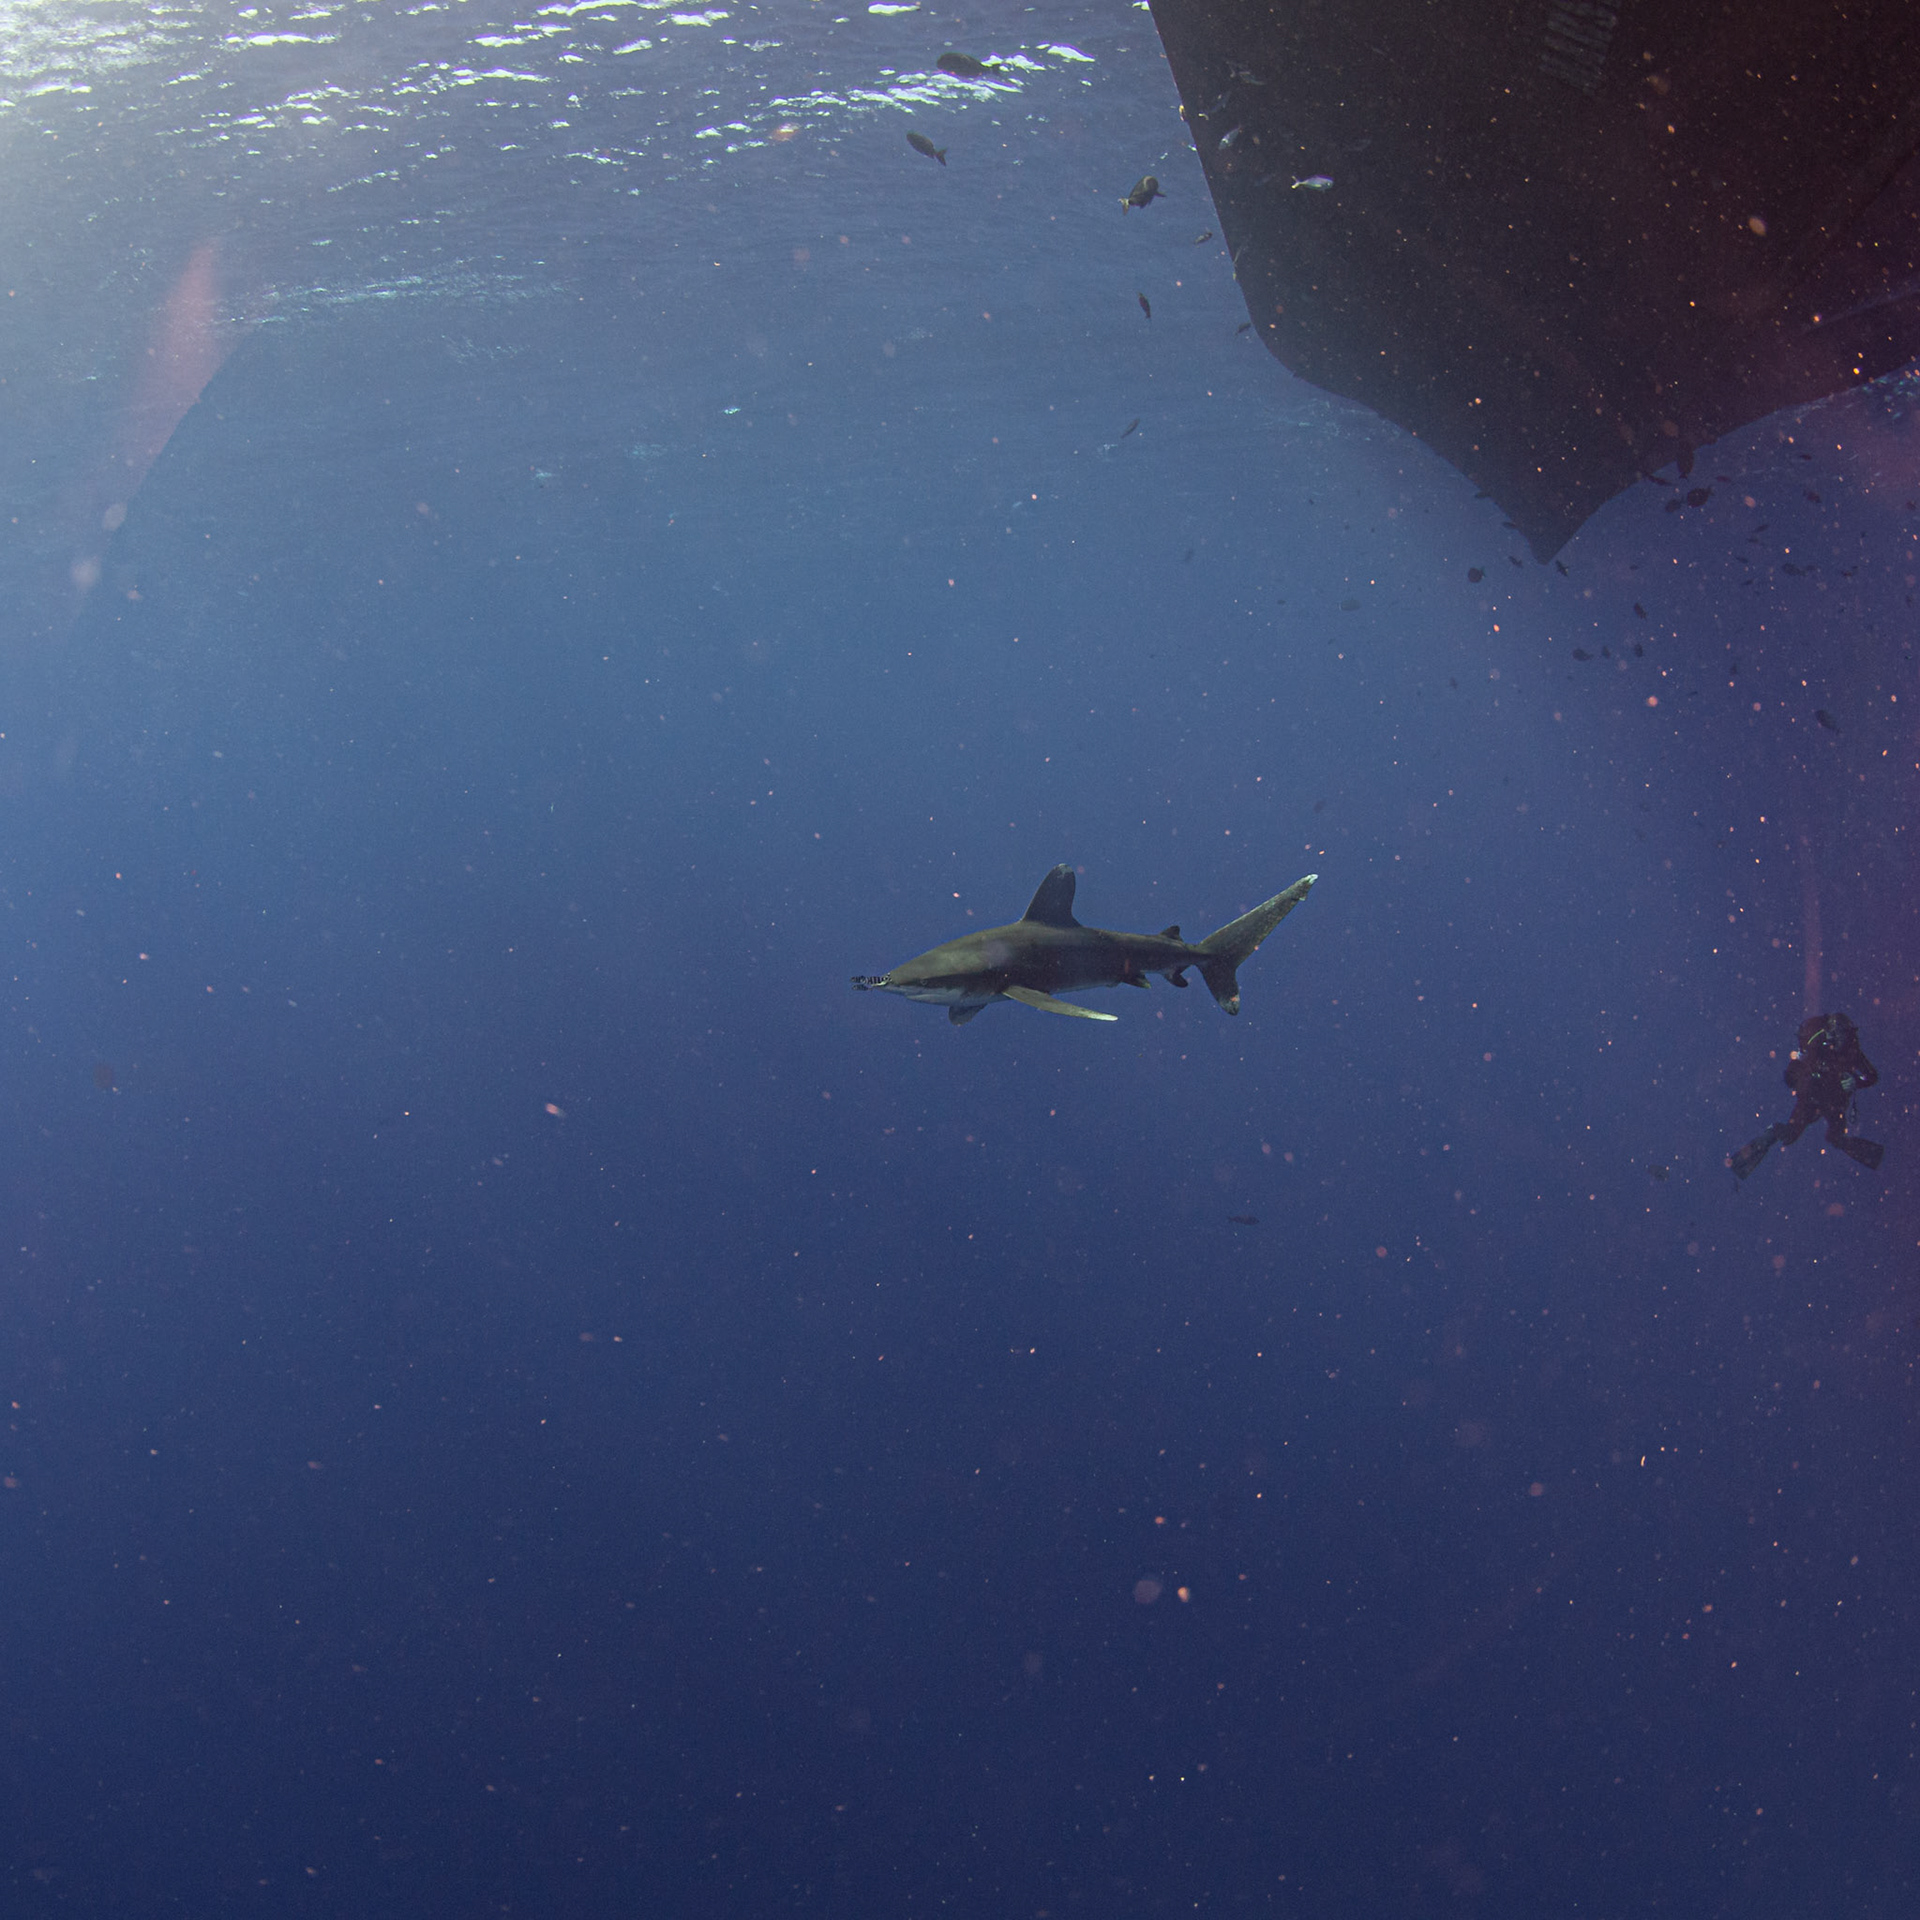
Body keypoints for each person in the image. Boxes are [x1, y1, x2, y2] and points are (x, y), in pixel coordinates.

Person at [1730, 1010, 1884, 1179]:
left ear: (1847, 1033)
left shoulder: (1851, 1051)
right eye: (1835, 1034)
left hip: (1830, 1098)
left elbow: (1872, 1076)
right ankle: (1759, 1146)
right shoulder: (1817, 1044)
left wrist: (1855, 1081)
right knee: (1793, 1134)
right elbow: (1792, 1074)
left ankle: (1875, 1157)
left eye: (1841, 1034)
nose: (1838, 1039)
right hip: (1815, 1095)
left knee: (1833, 1137)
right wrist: (1803, 1074)